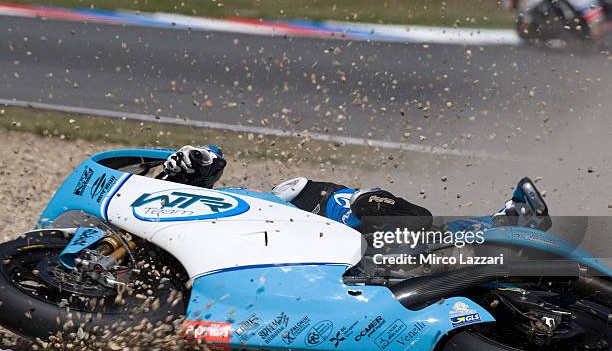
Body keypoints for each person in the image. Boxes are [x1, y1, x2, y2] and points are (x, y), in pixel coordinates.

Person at [163, 145, 549, 234]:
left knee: (375, 212)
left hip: (326, 220)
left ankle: (505, 223)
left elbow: (211, 158)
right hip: (295, 262)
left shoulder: (190, 199)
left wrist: (193, 160)